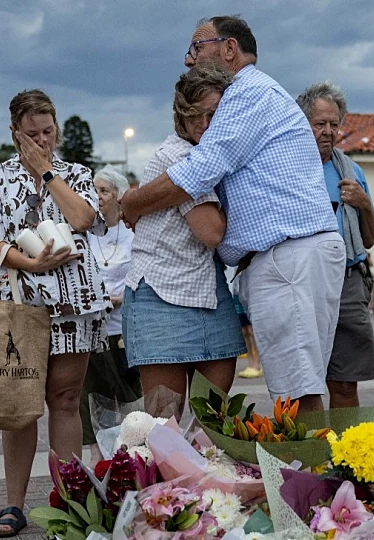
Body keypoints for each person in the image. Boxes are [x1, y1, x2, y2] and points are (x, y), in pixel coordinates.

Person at [120, 16, 345, 414]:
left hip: (287, 255)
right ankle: (312, 473)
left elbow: (197, 172)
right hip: (291, 254)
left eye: (196, 47)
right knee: (299, 384)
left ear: (229, 49)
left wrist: (132, 204)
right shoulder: (255, 94)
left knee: (297, 391)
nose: (190, 60)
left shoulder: (247, 93)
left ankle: (310, 475)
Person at [0, 90, 110, 537]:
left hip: (73, 304)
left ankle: (71, 503)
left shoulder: (76, 174)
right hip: (17, 305)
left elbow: (85, 219)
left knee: (66, 401)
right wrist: (28, 263)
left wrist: (46, 172)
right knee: (20, 404)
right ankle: (13, 505)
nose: (41, 139)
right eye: (32, 134)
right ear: (14, 132)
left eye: (48, 131)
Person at [122, 65, 246, 417]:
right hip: (161, 291)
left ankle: (208, 474)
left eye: (213, 115)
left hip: (208, 289)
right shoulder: (180, 156)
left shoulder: (207, 157)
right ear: (181, 116)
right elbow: (211, 231)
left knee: (214, 421)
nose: (205, 125)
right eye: (195, 116)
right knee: (166, 426)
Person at [297, 81, 374, 409]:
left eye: (334, 124)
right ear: (303, 123)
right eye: (320, 124)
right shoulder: (289, 167)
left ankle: (347, 458)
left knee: (345, 383)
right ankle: (310, 459)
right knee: (303, 384)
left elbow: (370, 238)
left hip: (347, 281)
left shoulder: (351, 171)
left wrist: (363, 204)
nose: (328, 131)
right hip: (302, 282)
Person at [81, 168, 143, 463]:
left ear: (119, 196)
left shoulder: (133, 233)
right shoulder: (84, 233)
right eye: (94, 190)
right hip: (92, 329)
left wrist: (120, 299)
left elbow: (142, 275)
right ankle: (98, 459)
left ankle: (133, 455)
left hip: (123, 327)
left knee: (129, 401)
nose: (97, 196)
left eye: (104, 190)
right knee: (91, 396)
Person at [233, 273, 263, 379]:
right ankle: (250, 363)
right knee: (244, 330)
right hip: (237, 291)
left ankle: (257, 363)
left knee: (252, 330)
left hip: (251, 291)